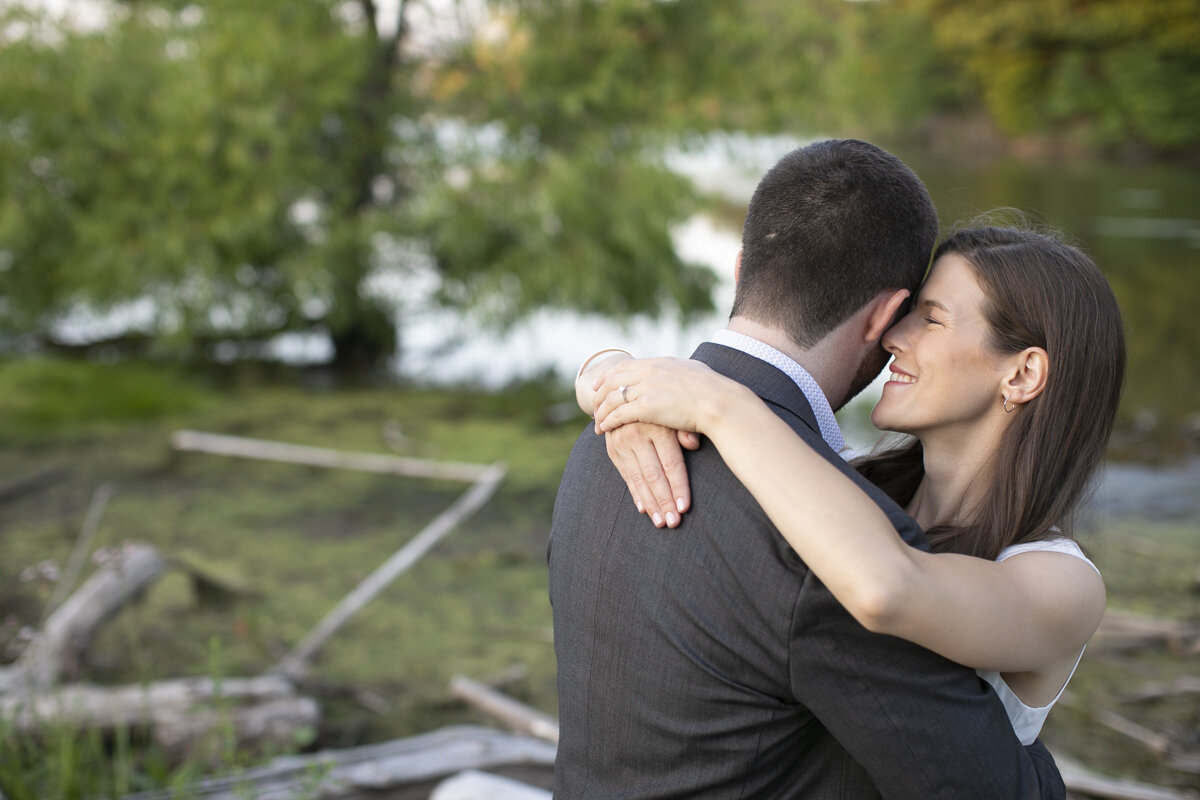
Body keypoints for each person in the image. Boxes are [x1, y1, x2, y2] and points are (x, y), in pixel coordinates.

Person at [548, 139, 1068, 799]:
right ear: (884, 316)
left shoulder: (609, 435)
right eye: (912, 316)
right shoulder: (838, 539)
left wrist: (604, 372)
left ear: (741, 271)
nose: (904, 338)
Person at [585, 225, 1124, 753]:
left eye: (931, 319)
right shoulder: (844, 479)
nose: (893, 337)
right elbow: (600, 378)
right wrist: (620, 383)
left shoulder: (1061, 584)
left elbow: (888, 587)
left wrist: (720, 403)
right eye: (907, 312)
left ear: (1023, 374)